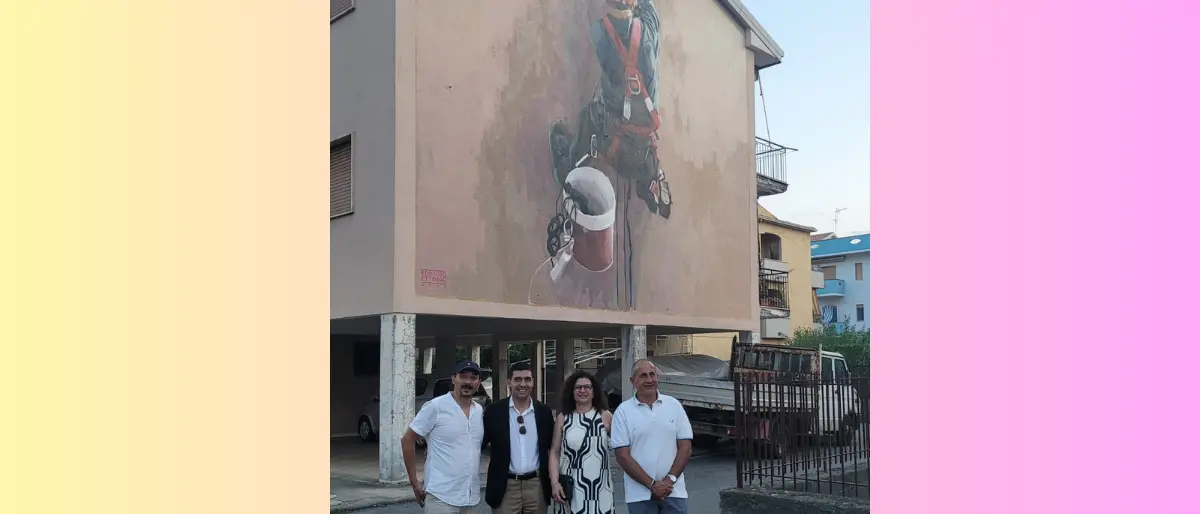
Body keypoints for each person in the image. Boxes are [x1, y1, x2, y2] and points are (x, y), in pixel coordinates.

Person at [402, 360, 486, 514]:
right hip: (441, 497)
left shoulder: (478, 411)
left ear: (479, 383)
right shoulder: (435, 407)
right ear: (454, 379)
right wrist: (414, 482)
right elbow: (408, 439)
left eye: (473, 378)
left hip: (471, 497)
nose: (468, 382)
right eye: (463, 376)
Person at [610, 359, 692, 514]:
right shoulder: (623, 411)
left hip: (674, 492)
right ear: (632, 381)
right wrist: (652, 485)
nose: (649, 380)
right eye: (643, 376)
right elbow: (622, 456)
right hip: (639, 495)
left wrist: (669, 481)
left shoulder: (674, 405)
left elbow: (685, 448)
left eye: (652, 374)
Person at [481, 362, 555, 514]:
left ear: (533, 382)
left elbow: (553, 449)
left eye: (527, 379)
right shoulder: (493, 411)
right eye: (518, 379)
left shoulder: (544, 412)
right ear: (509, 382)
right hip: (505, 487)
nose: (523, 384)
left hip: (536, 487)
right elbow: (478, 444)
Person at [549, 370, 615, 514]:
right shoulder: (563, 418)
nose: (582, 390)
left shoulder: (605, 416)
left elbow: (620, 447)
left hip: (601, 490)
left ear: (594, 391)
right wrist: (554, 483)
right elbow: (554, 452)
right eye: (578, 387)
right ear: (571, 392)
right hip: (570, 489)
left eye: (587, 387)